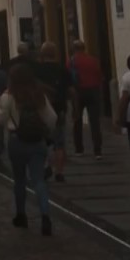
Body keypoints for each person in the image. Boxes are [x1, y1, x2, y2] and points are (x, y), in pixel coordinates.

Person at [0, 60, 56, 235]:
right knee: (39, 180)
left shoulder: (8, 96)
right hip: (37, 142)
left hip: (16, 141)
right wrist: (44, 132)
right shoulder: (38, 94)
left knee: (19, 180)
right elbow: (51, 119)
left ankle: (21, 215)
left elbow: (0, 120)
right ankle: (45, 216)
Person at [34, 41, 75, 182]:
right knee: (59, 142)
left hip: (40, 110)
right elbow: (71, 91)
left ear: (42, 54)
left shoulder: (36, 70)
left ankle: (46, 166)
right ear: (55, 54)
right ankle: (59, 171)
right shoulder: (62, 69)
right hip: (59, 109)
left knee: (41, 140)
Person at [68, 40, 104, 156]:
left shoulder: (71, 61)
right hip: (93, 91)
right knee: (95, 122)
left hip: (78, 92)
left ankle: (79, 149)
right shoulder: (93, 60)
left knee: (77, 120)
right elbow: (99, 76)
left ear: (73, 49)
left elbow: (68, 77)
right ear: (84, 48)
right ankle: (97, 150)